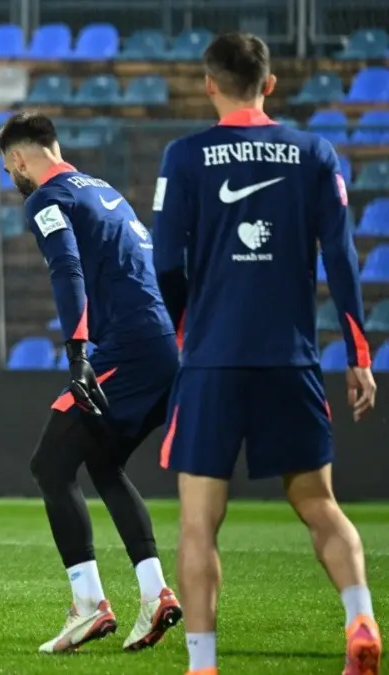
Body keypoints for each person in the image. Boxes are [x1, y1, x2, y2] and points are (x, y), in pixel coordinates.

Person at [152, 32, 380, 675]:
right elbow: (342, 259)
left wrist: (180, 330)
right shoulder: (315, 153)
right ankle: (361, 616)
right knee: (319, 505)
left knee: (199, 523)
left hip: (214, 360)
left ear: (209, 84)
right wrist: (359, 355)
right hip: (290, 359)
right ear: (270, 84)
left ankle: (203, 665)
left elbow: (165, 261)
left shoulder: (185, 156)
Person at [0, 112, 183, 654]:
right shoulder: (103, 190)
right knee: (102, 463)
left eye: (8, 168)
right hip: (161, 346)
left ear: (19, 158)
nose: (12, 178)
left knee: (49, 465)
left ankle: (89, 605)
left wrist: (77, 353)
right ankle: (155, 594)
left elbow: (67, 270)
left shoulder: (47, 198)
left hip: (129, 349)